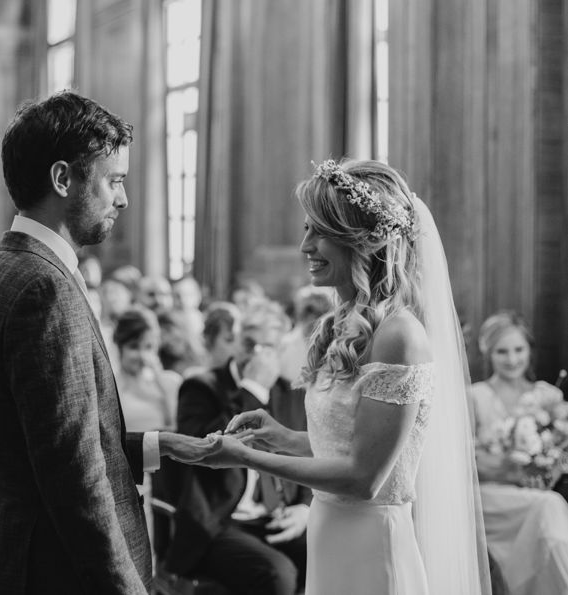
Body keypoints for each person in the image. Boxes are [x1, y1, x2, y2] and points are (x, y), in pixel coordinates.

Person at [179, 159, 491, 594]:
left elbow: (365, 479)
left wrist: (247, 457)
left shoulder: (399, 335)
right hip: (331, 533)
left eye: (319, 231)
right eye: (307, 229)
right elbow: (348, 445)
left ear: (363, 242)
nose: (305, 245)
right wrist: (280, 437)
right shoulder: (345, 324)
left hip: (370, 542)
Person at [0, 91, 214, 595]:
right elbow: (72, 479)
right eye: (114, 180)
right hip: (58, 573)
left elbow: (50, 447)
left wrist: (162, 446)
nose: (123, 198)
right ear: (63, 179)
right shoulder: (42, 288)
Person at [167, 299, 308, 595]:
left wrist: (304, 508)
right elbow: (199, 449)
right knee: (277, 575)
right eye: (248, 343)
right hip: (221, 521)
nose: (254, 354)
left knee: (324, 550)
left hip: (277, 514)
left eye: (266, 346)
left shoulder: (293, 394)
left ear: (281, 350)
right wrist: (253, 390)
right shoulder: (202, 387)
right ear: (236, 341)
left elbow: (306, 453)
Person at [470, 310, 568, 595]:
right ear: (488, 353)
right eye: (502, 352)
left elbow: (562, 452)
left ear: (529, 350)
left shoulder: (548, 395)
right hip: (489, 498)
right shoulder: (475, 396)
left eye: (518, 350)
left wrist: (549, 467)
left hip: (534, 493)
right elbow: (468, 462)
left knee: (546, 505)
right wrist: (513, 470)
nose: (512, 360)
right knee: (548, 506)